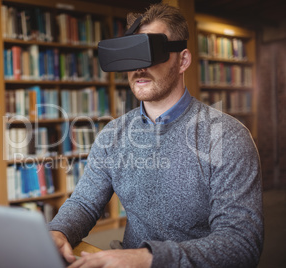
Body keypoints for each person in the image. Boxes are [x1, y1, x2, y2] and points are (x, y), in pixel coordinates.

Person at [48, 3, 264, 268]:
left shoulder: (227, 137)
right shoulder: (113, 135)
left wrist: (149, 258)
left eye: (150, 53)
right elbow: (84, 202)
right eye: (133, 56)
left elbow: (241, 243)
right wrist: (59, 231)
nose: (139, 68)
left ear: (183, 60)